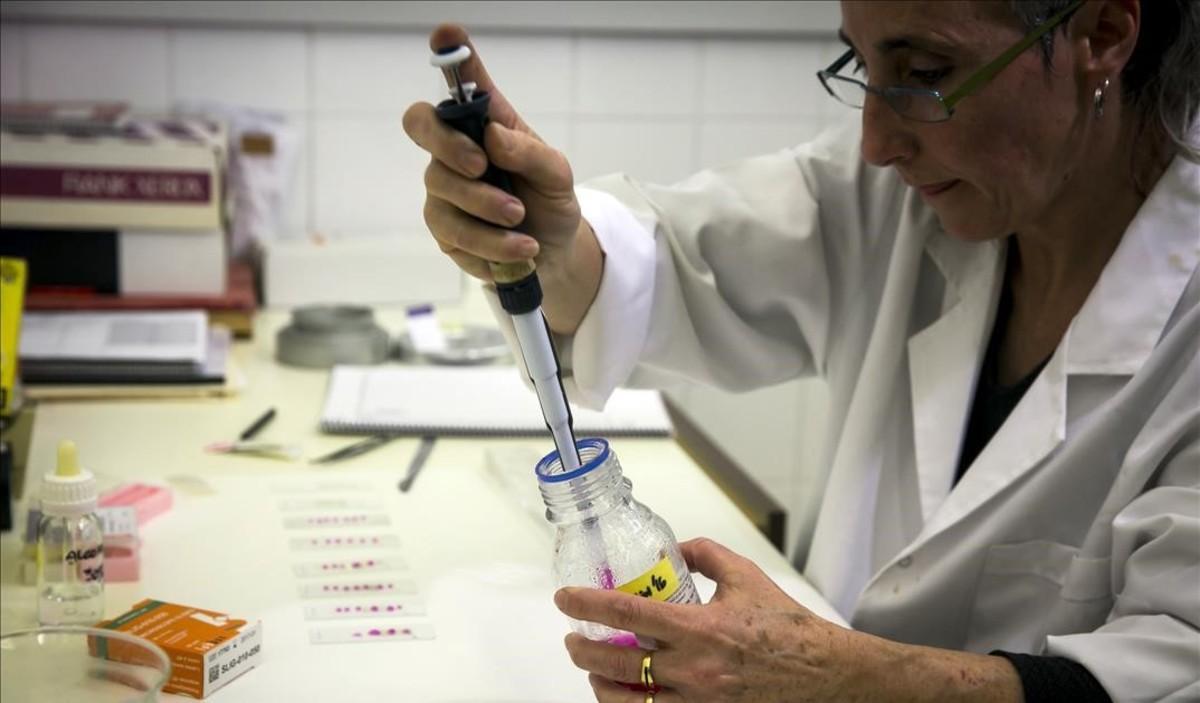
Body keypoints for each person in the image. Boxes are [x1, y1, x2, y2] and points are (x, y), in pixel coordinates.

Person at [404, 0, 1199, 700]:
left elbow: (1167, 672)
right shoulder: (891, 197)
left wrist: (842, 680)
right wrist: (555, 236)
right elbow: (674, 269)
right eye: (863, 65)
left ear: (1103, 31)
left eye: (924, 71)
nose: (877, 141)